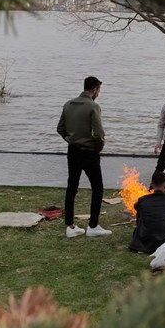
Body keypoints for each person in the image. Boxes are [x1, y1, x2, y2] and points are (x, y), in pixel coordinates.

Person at [56, 76, 111, 238]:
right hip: (89, 152)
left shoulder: (68, 104)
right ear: (94, 89)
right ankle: (93, 226)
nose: (99, 93)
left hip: (72, 150)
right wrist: (97, 148)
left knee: (71, 187)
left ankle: (70, 226)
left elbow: (60, 128)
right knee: (97, 187)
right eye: (99, 90)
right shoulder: (93, 106)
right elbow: (99, 133)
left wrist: (70, 140)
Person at [128, 170, 165, 254]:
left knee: (140, 211)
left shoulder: (142, 200)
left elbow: (136, 207)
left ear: (151, 184)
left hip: (143, 243)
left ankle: (142, 236)